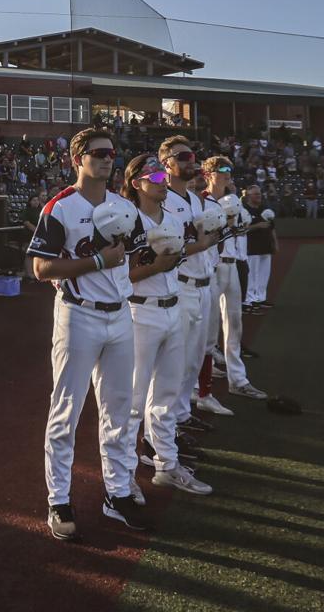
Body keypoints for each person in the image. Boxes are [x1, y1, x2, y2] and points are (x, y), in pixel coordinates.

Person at [28, 127, 148, 541]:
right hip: (78, 316)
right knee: (67, 410)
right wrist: (97, 260)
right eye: (97, 153)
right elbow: (40, 269)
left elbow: (137, 253)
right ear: (77, 158)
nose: (106, 158)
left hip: (120, 316)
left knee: (118, 410)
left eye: (111, 153)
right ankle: (58, 498)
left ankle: (116, 493)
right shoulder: (60, 207)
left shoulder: (121, 206)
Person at [121, 153, 211, 496]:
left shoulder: (171, 218)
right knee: (132, 401)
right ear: (137, 184)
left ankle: (167, 465)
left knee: (167, 395)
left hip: (172, 307)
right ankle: (124, 478)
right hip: (141, 313)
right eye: (154, 178)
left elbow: (179, 259)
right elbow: (121, 278)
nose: (162, 182)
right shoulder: (127, 220)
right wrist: (158, 266)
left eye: (163, 177)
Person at [158, 136, 220, 439]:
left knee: (194, 358)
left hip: (203, 284)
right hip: (179, 286)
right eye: (182, 157)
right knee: (175, 361)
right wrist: (201, 243)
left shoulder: (195, 199)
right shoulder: (161, 197)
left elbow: (203, 240)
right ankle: (166, 427)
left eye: (192, 156)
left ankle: (182, 414)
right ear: (166, 163)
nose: (190, 162)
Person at [202, 158, 267, 402]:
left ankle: (238, 379)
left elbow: (238, 231)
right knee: (208, 330)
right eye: (223, 170)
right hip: (213, 267)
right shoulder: (203, 201)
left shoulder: (235, 202)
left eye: (230, 170)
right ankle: (203, 385)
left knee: (234, 324)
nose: (228, 174)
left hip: (231, 265)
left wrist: (238, 225)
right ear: (209, 173)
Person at [243, 185, 278, 312]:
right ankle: (250, 300)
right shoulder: (244, 210)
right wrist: (257, 225)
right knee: (252, 275)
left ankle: (260, 298)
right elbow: (242, 229)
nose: (259, 196)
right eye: (255, 194)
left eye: (259, 194)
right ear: (248, 196)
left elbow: (271, 227)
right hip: (252, 247)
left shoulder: (265, 208)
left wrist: (275, 243)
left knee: (264, 275)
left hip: (265, 246)